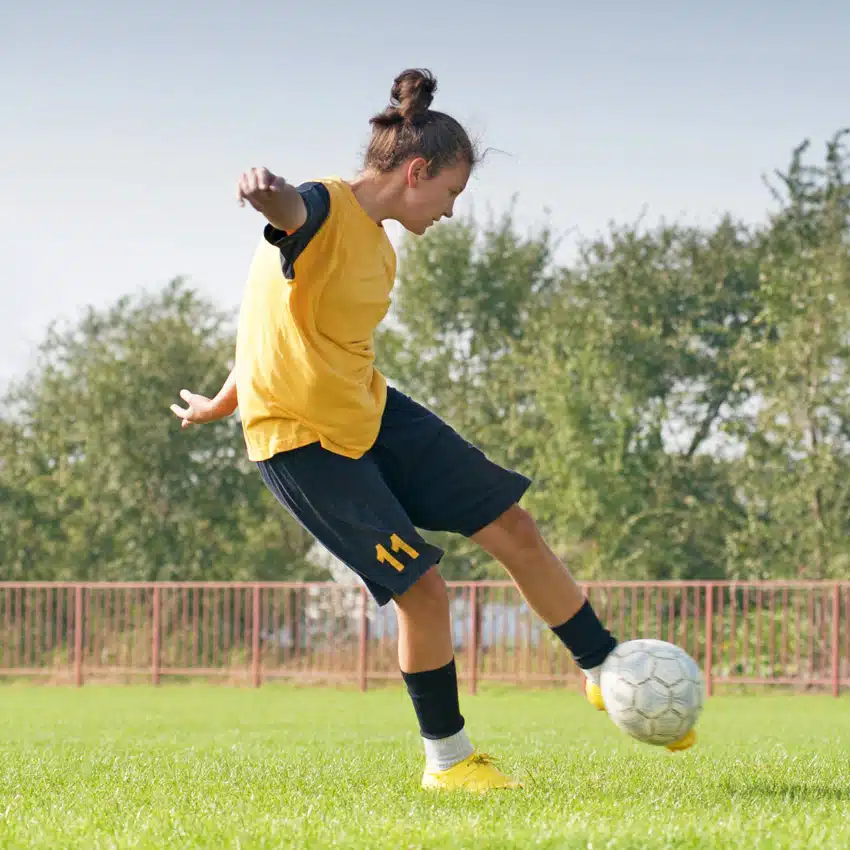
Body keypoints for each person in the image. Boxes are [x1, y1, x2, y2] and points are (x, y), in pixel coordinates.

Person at [170, 68, 695, 792]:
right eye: (450, 193)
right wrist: (264, 189)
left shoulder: (377, 243)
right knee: (424, 591)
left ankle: (603, 666)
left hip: (369, 408)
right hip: (303, 442)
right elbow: (289, 207)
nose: (450, 211)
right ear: (416, 172)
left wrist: (221, 398)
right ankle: (448, 762)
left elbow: (272, 328)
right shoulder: (321, 210)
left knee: (513, 525)